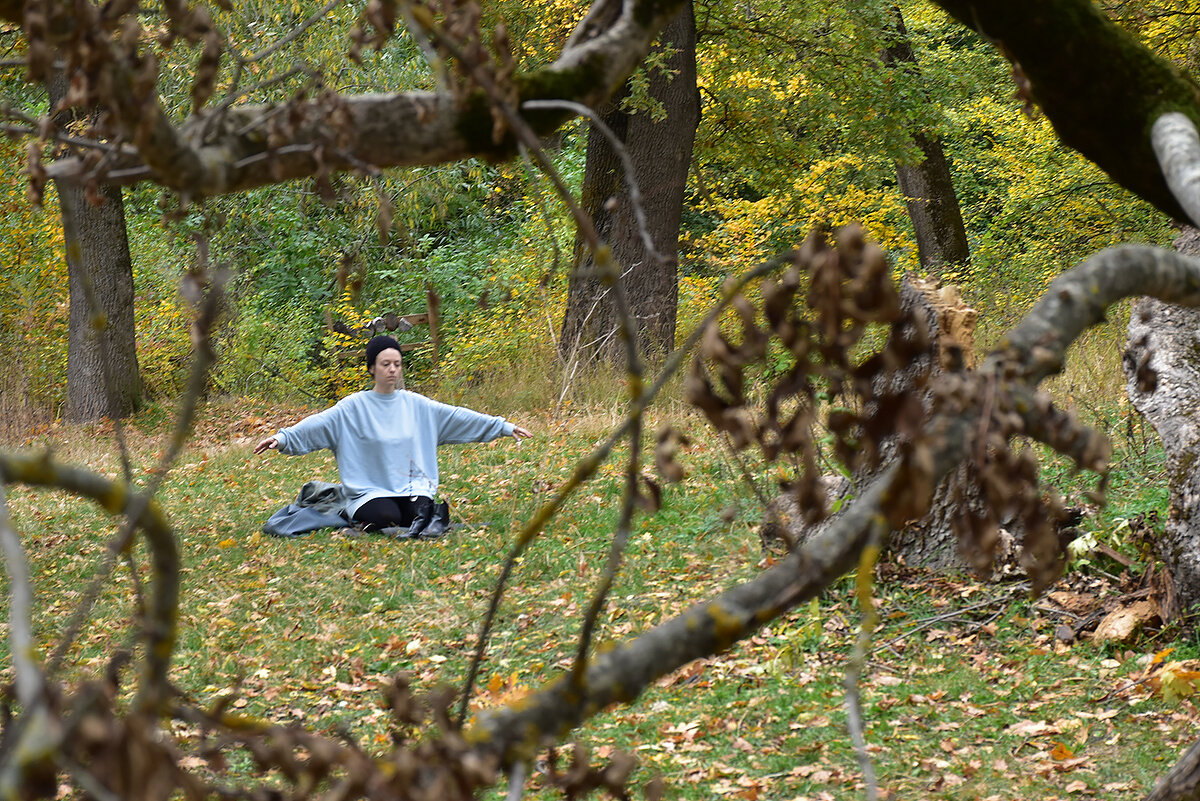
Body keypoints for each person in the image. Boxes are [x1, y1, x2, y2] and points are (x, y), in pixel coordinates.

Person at [254, 335, 532, 536]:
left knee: (419, 514)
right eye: (385, 364)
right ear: (372, 368)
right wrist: (283, 438)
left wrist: (503, 427)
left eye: (397, 364)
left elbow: (457, 416)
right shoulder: (353, 407)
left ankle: (395, 517)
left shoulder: (417, 405)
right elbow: (319, 424)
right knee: (386, 517)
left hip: (412, 488)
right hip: (369, 491)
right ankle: (354, 513)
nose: (392, 370)